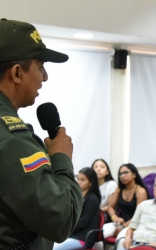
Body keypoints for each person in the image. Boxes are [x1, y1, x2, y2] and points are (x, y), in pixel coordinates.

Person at [0, 19, 82, 249]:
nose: (45, 77)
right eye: (41, 66)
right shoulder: (12, 140)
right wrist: (62, 159)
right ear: (17, 72)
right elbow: (61, 220)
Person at [102, 163, 150, 250]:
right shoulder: (119, 189)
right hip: (120, 222)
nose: (122, 176)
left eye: (125, 173)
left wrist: (123, 227)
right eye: (120, 174)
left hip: (134, 225)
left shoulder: (140, 191)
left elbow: (139, 215)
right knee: (99, 233)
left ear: (134, 174)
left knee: (121, 240)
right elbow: (110, 207)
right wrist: (114, 217)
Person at [53, 168, 101, 250]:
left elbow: (82, 223)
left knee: (54, 248)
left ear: (91, 182)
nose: (78, 182)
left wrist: (64, 230)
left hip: (82, 237)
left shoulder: (92, 199)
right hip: (72, 234)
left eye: (82, 180)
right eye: (78, 179)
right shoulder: (77, 196)